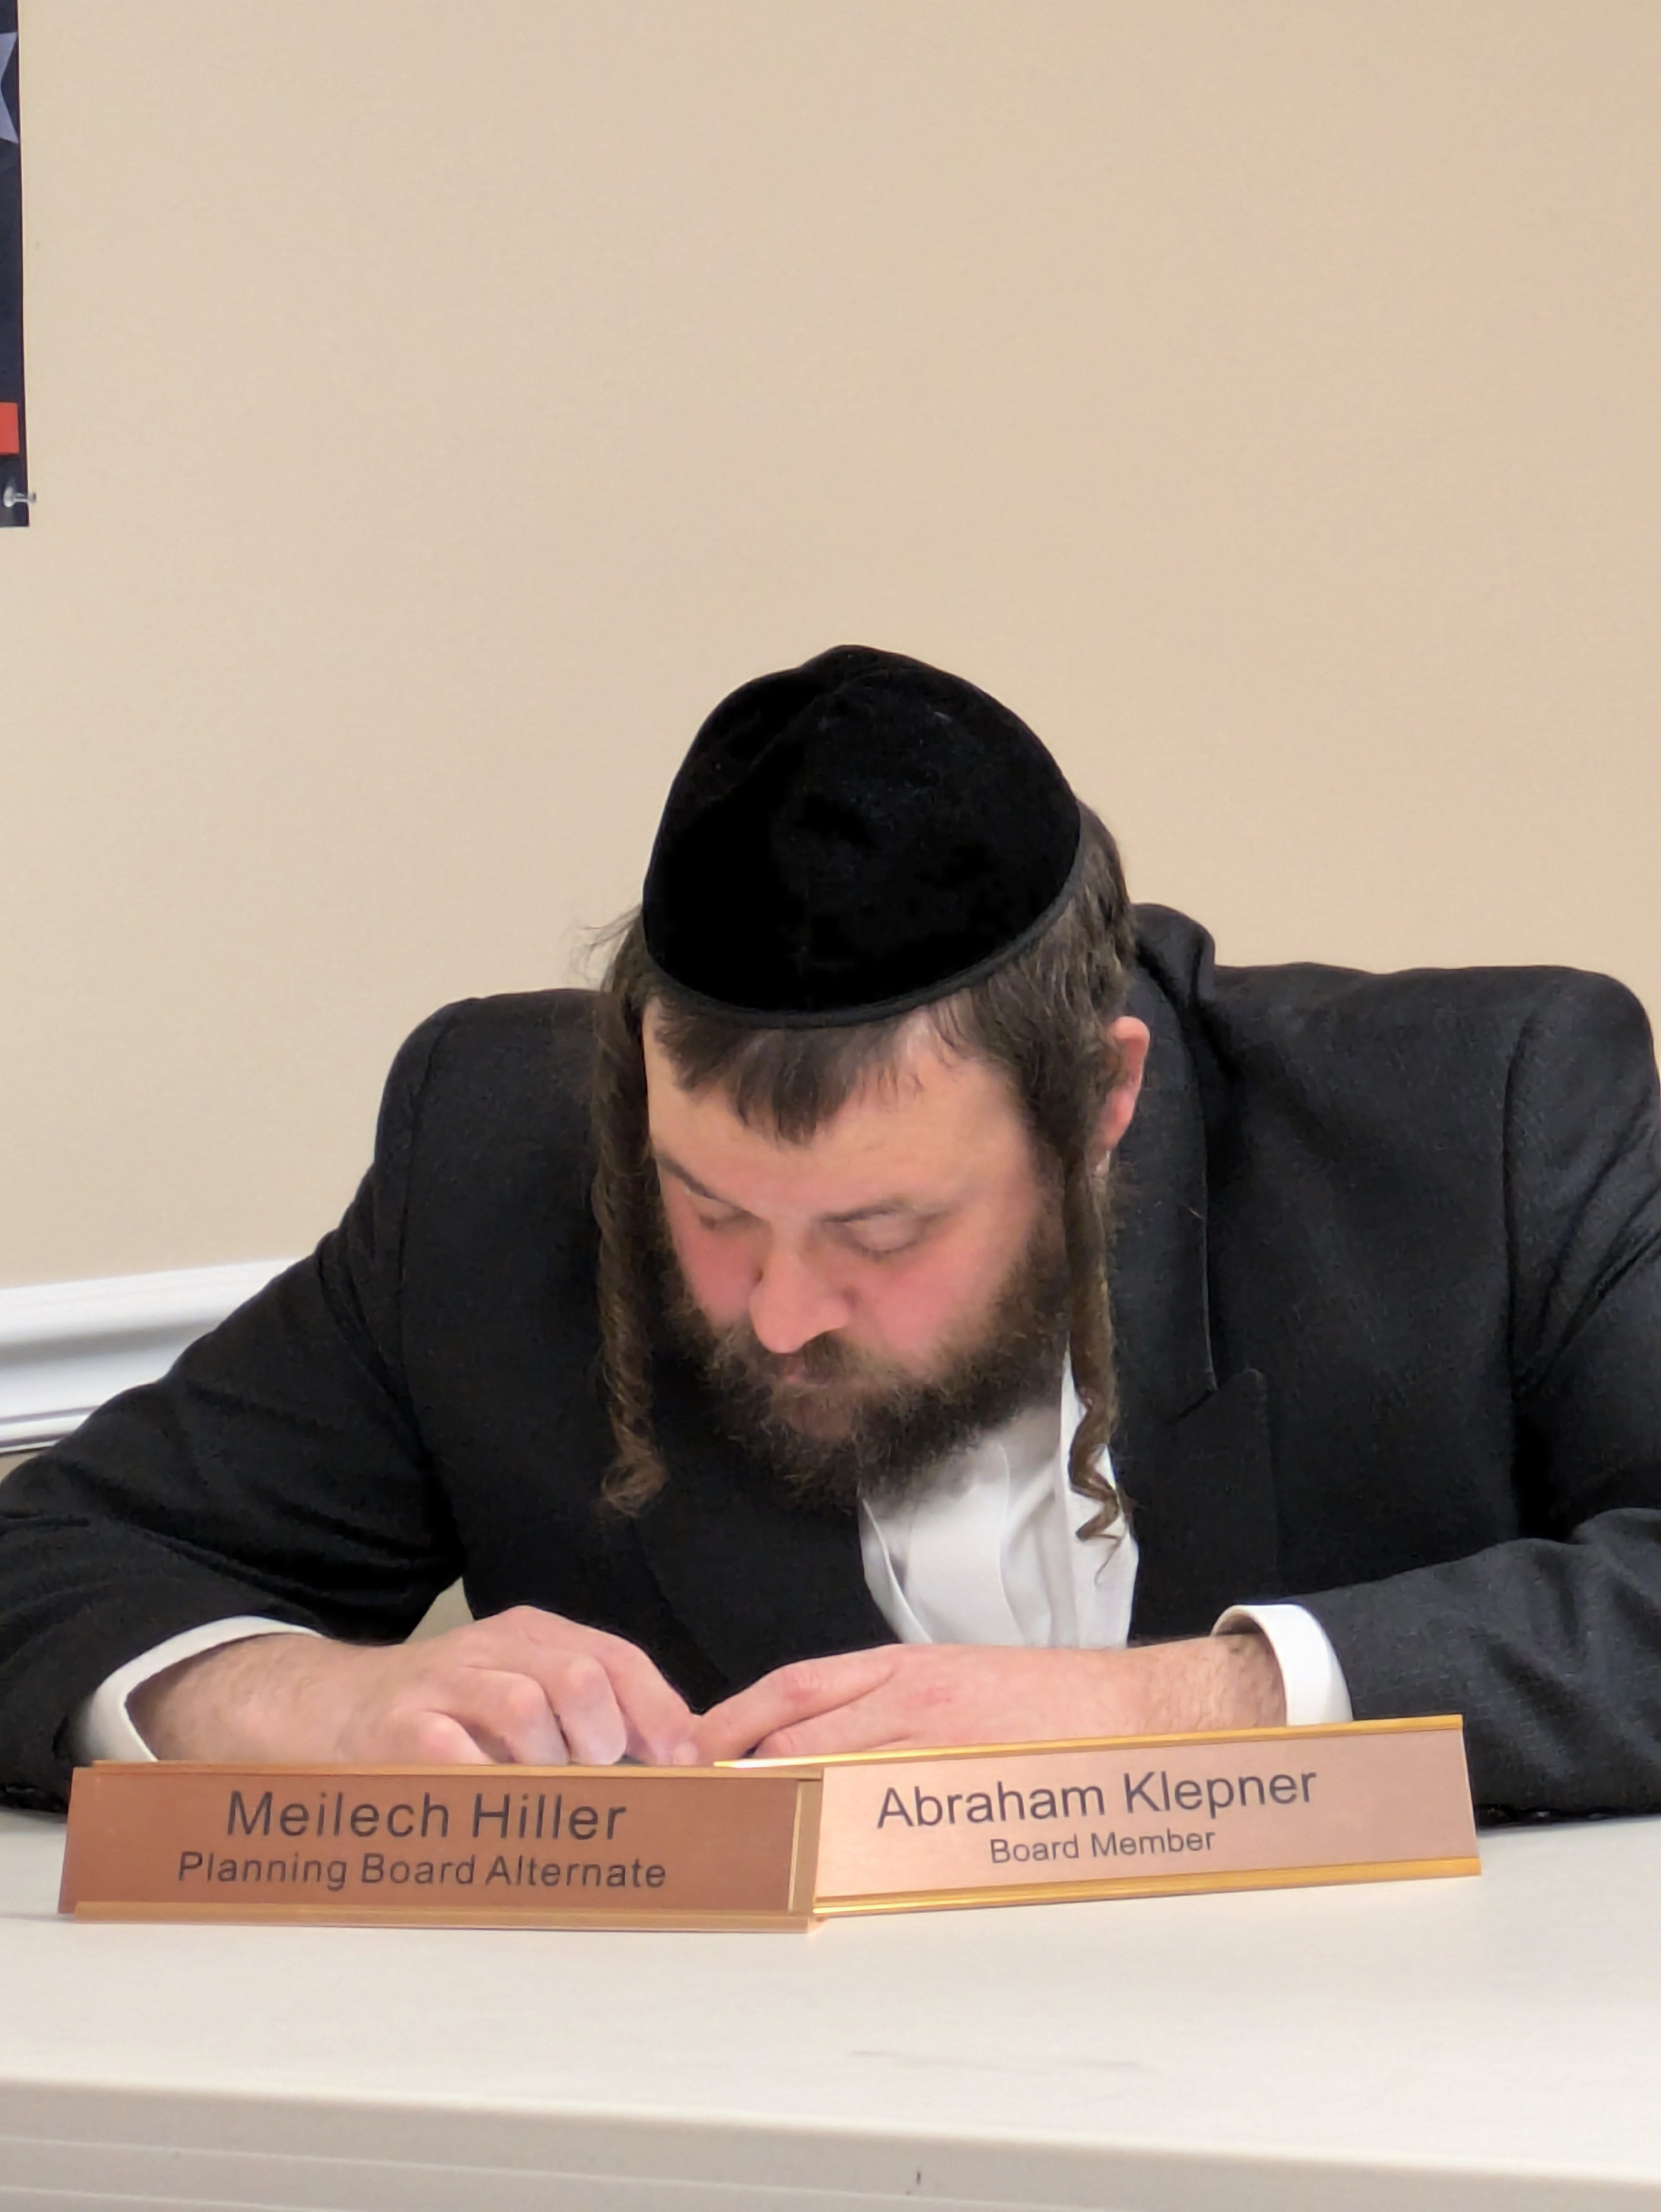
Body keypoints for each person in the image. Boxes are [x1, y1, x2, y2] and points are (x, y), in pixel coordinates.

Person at [2, 646, 1659, 1817]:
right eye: (710, 1209)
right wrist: (296, 1698)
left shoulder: (1481, 1127)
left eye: (882, 1227)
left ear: (1100, 1102)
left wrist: (1181, 1706)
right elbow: (45, 1560)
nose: (780, 1310)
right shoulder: (492, 1164)